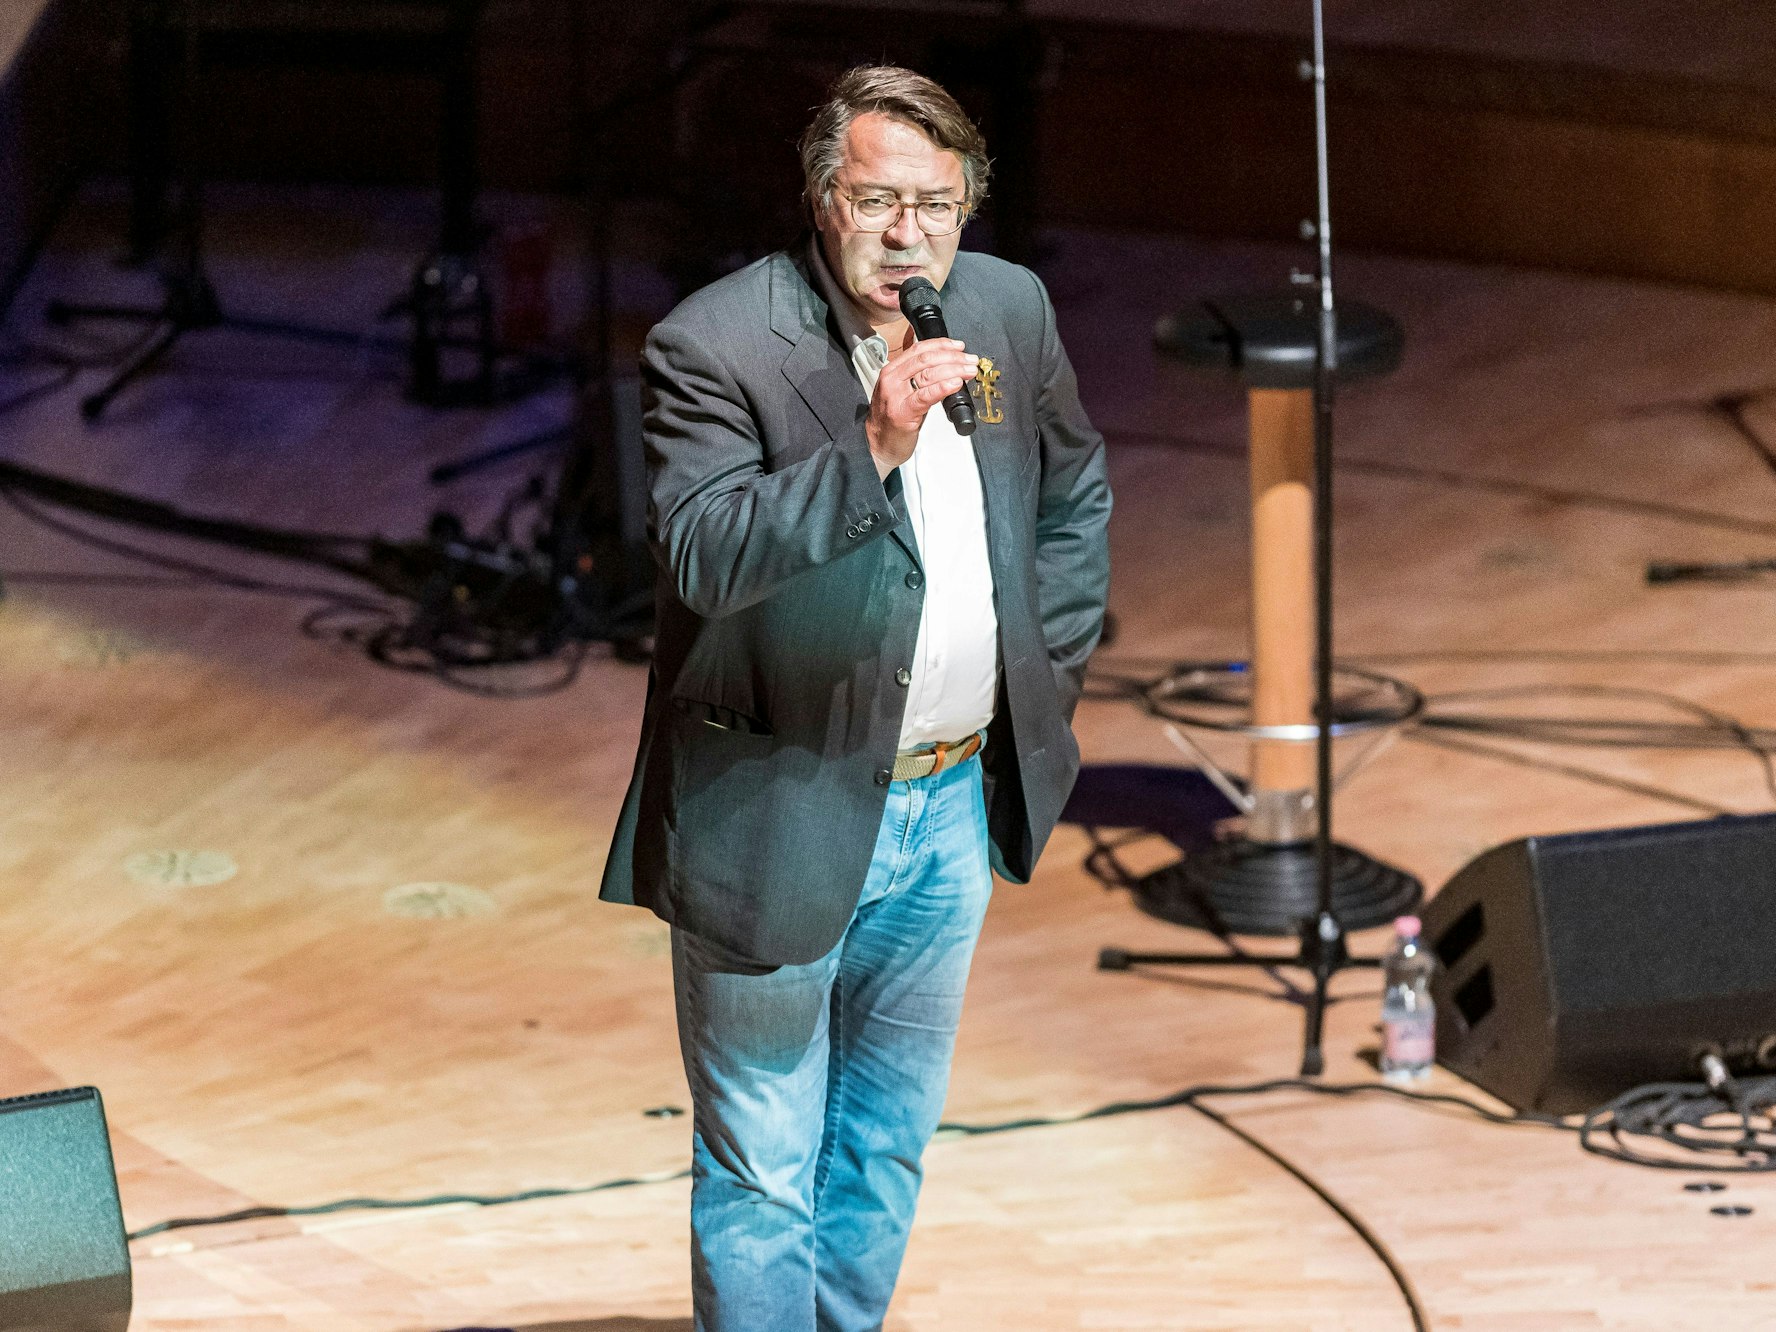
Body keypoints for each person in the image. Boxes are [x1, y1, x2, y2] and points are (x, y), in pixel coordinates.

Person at [599, 64, 1112, 1331]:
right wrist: (873, 445)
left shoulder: (1006, 307)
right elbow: (704, 554)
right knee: (767, 1168)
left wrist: (1041, 667)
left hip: (948, 807)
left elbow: (1072, 497)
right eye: (878, 201)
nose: (908, 236)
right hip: (782, 802)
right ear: (825, 200)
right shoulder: (716, 342)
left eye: (936, 206)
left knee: (883, 1147)